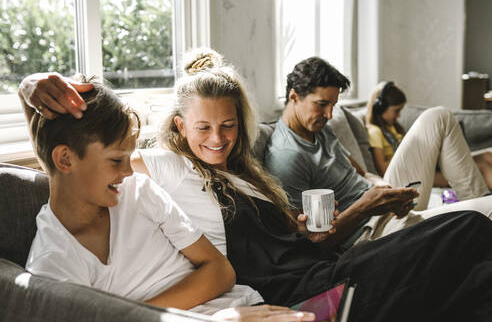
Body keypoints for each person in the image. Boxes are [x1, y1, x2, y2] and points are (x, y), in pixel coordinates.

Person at [19, 49, 492, 322]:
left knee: (475, 275)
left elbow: (294, 244)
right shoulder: (161, 169)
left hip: (326, 265)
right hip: (298, 288)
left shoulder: (245, 174)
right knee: (468, 225)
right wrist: (30, 88)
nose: (218, 139)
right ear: (180, 128)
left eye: (227, 126)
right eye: (203, 128)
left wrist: (304, 229)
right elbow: (74, 162)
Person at [20, 76, 289, 319]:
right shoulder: (53, 263)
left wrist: (26, 89)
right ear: (65, 159)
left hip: (244, 307)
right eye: (116, 160)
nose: (128, 171)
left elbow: (221, 271)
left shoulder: (139, 192)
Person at [264, 56, 492, 247]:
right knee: (489, 210)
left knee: (439, 117)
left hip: (383, 204)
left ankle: (476, 208)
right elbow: (310, 243)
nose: (330, 115)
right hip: (370, 231)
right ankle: (480, 219)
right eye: (322, 104)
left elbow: (361, 172)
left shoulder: (318, 129)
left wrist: (381, 187)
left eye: (333, 105)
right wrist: (365, 208)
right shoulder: (286, 157)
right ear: (294, 96)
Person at [366, 81, 492, 189]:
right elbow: (384, 171)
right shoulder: (375, 131)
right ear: (379, 108)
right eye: (396, 111)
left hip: (421, 165)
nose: (399, 116)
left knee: (486, 156)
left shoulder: (393, 128)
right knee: (480, 166)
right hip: (411, 175)